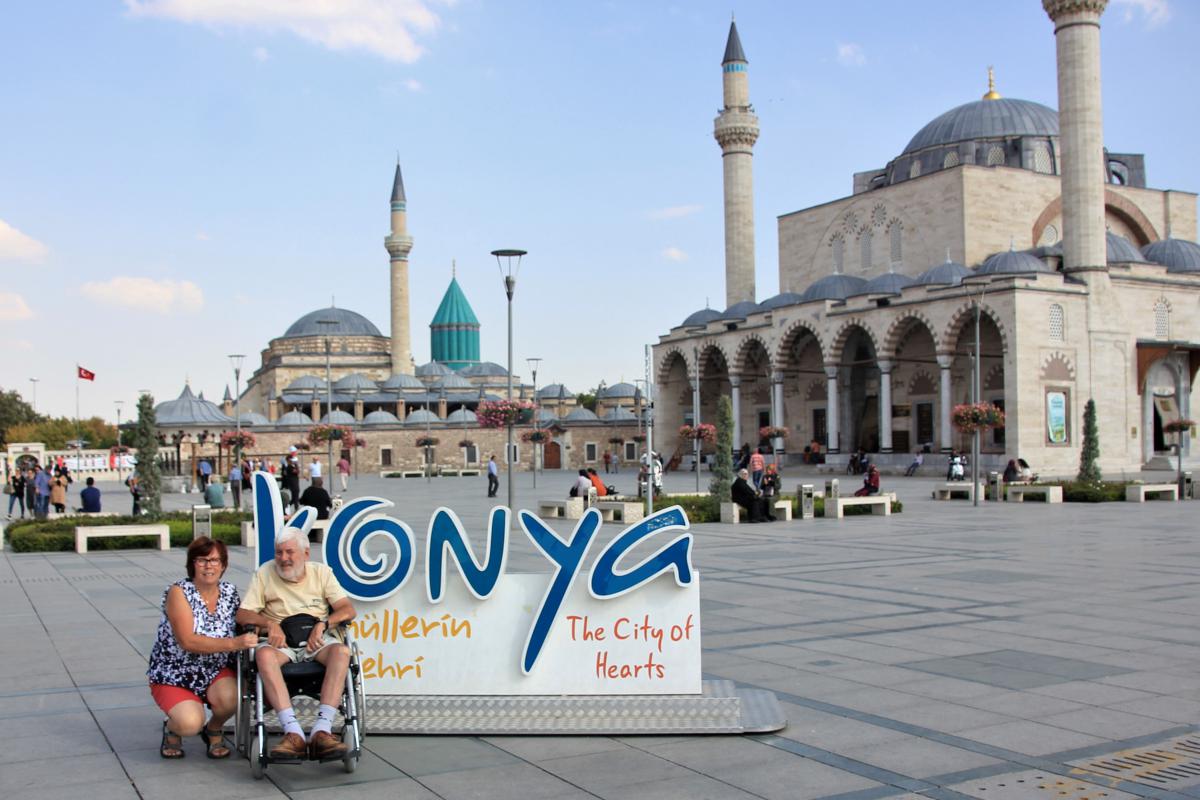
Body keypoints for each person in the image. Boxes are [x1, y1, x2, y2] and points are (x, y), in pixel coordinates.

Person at [236, 528, 356, 760]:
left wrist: (324, 623)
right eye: (279, 552)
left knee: (342, 652)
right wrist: (269, 624)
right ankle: (293, 732)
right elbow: (242, 615)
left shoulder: (322, 573)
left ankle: (322, 730)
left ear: (306, 553)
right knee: (263, 656)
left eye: (290, 552)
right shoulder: (264, 573)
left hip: (317, 640)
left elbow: (348, 610)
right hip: (281, 643)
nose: (283, 558)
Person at [147, 537, 259, 759]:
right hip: (175, 671)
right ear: (192, 564)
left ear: (224, 565)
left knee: (235, 697)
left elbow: (242, 619)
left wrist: (271, 625)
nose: (209, 566)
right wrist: (234, 644)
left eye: (215, 560)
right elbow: (187, 641)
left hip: (215, 669)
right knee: (190, 724)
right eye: (202, 560)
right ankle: (172, 728)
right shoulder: (179, 592)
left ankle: (213, 729)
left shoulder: (229, 591)